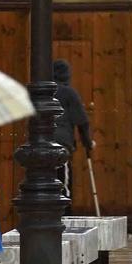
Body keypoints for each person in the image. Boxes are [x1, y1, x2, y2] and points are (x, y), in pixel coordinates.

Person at [52, 60, 94, 196]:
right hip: (61, 143)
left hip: (40, 143)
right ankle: (63, 214)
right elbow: (82, 122)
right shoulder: (70, 93)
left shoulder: (43, 92)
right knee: (62, 184)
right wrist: (88, 143)